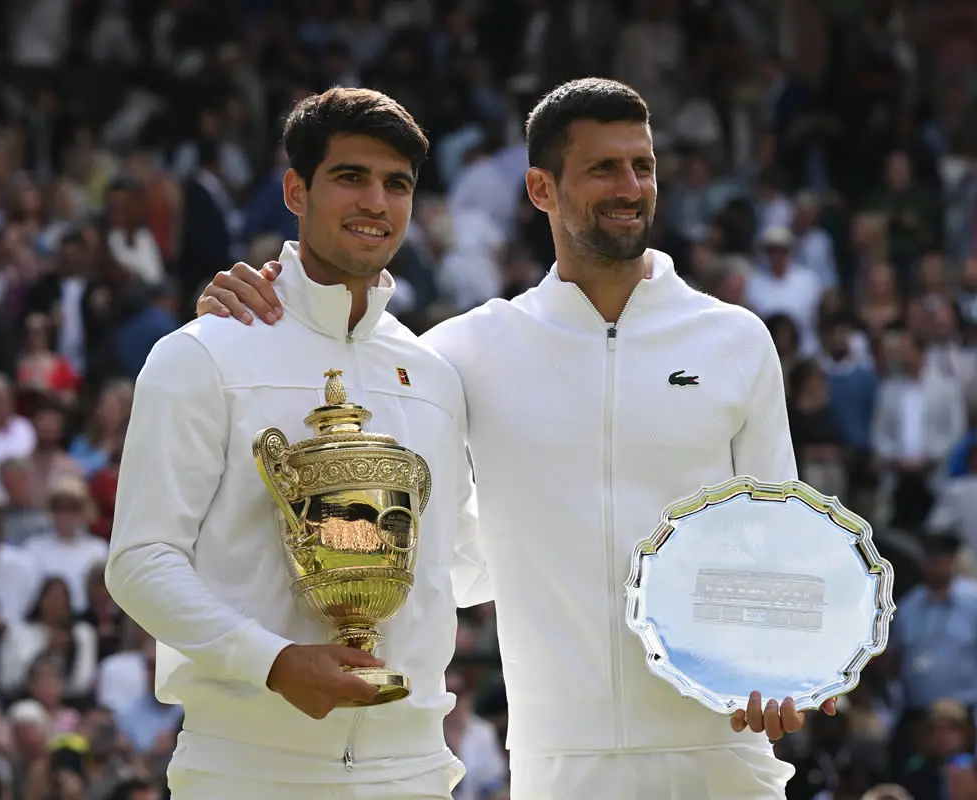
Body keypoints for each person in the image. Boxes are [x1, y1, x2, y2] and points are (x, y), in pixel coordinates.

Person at [195, 77, 837, 798]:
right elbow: (340, 366)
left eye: (643, 166)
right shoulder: (464, 350)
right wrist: (256, 306)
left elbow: (784, 538)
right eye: (603, 168)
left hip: (725, 752)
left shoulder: (736, 340)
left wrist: (789, 664)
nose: (630, 188)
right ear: (540, 189)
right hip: (559, 764)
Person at [105, 87, 487, 799]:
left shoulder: (434, 375)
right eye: (351, 177)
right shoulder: (203, 353)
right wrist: (275, 663)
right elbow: (140, 563)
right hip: (246, 767)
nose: (376, 202)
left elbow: (457, 568)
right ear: (295, 191)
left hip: (413, 769)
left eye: (397, 184)